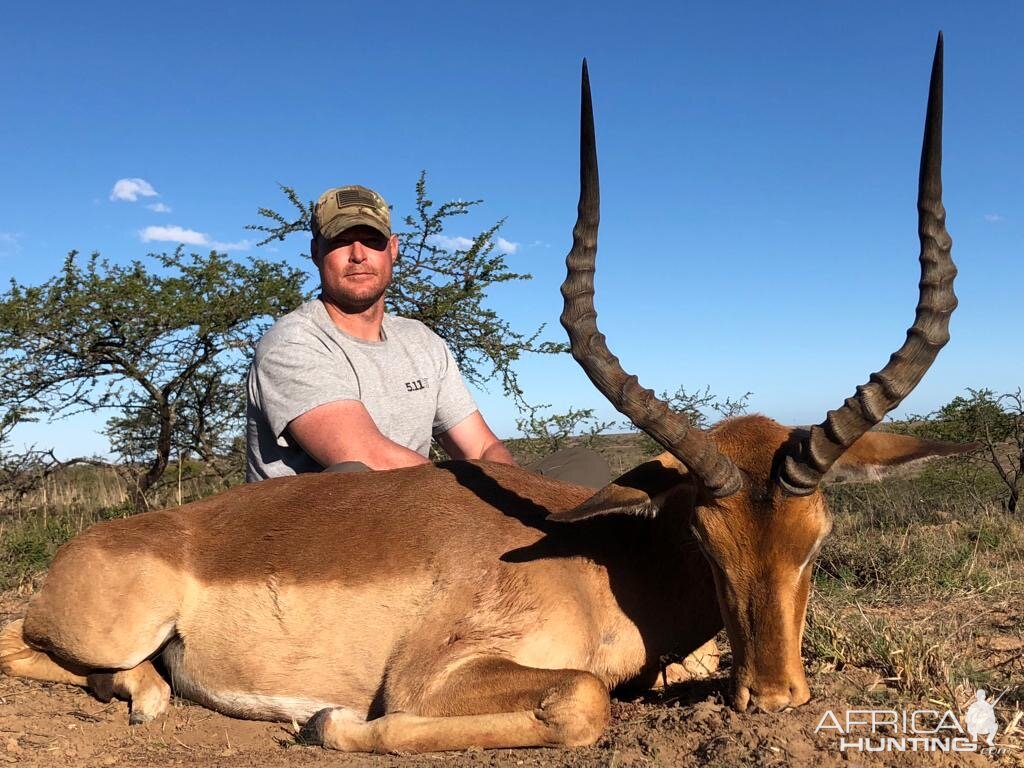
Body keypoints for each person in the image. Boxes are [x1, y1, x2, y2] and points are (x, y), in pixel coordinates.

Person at [245, 185, 609, 487]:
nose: (357, 255)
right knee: (352, 480)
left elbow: (481, 448)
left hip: (423, 507)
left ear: (393, 249)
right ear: (315, 253)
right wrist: (489, 501)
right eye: (340, 241)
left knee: (583, 467)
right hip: (327, 542)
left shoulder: (421, 340)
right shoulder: (293, 342)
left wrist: (511, 491)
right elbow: (367, 458)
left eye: (371, 240)